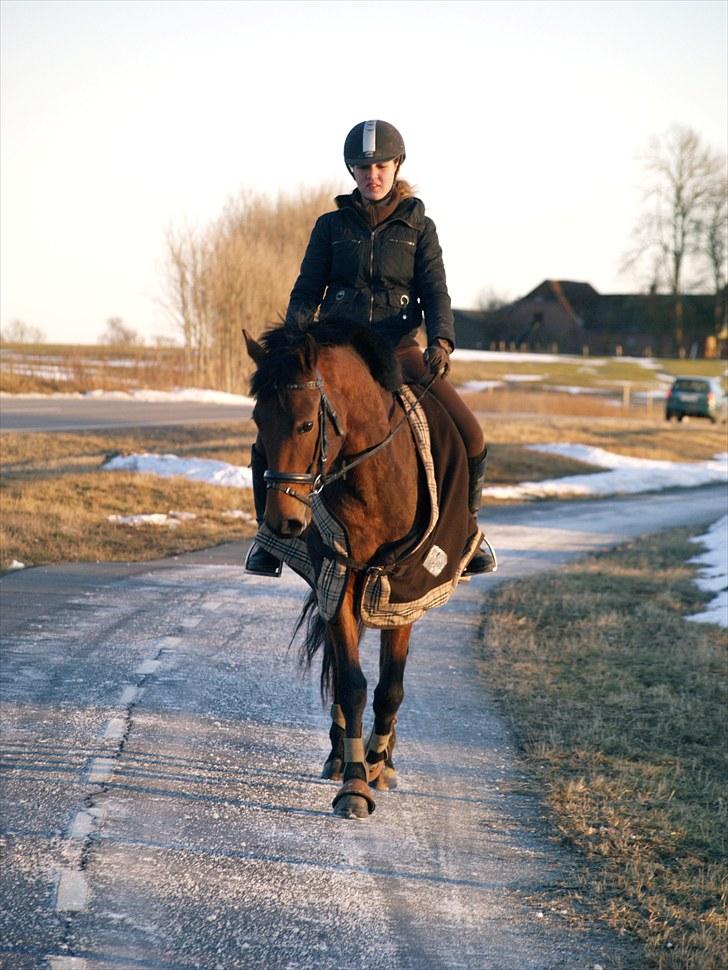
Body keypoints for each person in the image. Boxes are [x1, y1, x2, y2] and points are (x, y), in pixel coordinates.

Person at [245, 120, 497, 577]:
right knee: (273, 431)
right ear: (352, 171)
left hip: (397, 352)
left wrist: (441, 340)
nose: (372, 175)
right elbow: (306, 292)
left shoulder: (420, 226)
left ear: (396, 166)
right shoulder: (330, 226)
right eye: (363, 167)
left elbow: (436, 291)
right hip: (336, 353)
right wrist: (293, 344)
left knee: (471, 436)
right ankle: (269, 538)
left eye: (380, 165)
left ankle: (469, 533)